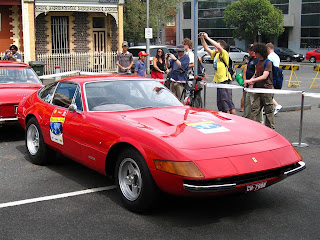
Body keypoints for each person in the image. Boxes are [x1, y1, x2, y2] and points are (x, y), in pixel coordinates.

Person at [199, 32, 236, 114]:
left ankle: (233, 119)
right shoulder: (215, 55)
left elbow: (218, 46)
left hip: (225, 80)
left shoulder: (224, 54)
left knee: (228, 103)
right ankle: (224, 118)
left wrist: (208, 38)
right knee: (222, 104)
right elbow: (206, 47)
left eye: (216, 45)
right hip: (219, 81)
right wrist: (202, 38)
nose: (215, 46)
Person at [244, 43, 275, 129]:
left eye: (256, 52)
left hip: (267, 89)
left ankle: (270, 128)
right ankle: (253, 127)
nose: (255, 53)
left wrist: (251, 80)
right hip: (258, 89)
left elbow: (264, 76)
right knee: (255, 109)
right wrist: (251, 81)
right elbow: (256, 74)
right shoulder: (258, 62)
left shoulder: (268, 63)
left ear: (260, 52)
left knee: (268, 110)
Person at [242, 44, 261, 121]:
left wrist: (251, 82)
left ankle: (254, 120)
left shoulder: (257, 60)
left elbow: (256, 72)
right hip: (249, 84)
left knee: (252, 103)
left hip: (253, 86)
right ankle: (246, 118)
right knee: (247, 103)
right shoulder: (251, 59)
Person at [266, 42, 282, 115]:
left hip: (271, 76)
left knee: (268, 94)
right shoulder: (276, 56)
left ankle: (276, 105)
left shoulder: (270, 56)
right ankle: (274, 106)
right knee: (269, 94)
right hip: (276, 75)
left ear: (268, 48)